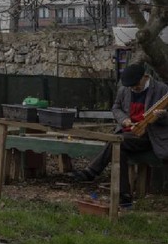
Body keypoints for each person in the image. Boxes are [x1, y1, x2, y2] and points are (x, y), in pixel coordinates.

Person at [69, 63, 168, 206]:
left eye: (136, 85)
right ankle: (124, 196)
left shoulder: (162, 90)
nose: (134, 89)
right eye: (131, 86)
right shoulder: (124, 90)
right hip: (128, 133)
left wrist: (163, 116)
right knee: (118, 147)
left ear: (145, 77)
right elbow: (116, 107)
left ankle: (91, 172)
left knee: (116, 140)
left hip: (151, 136)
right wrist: (124, 120)